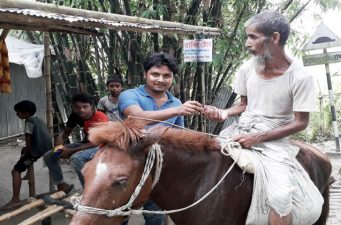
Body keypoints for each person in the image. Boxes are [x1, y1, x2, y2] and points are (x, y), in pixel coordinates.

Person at [203, 10, 323, 225]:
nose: (247, 43)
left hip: (274, 142)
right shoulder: (247, 67)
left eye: (253, 37)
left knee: (280, 196)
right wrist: (223, 113)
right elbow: (243, 104)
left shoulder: (300, 76)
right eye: (247, 37)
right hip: (239, 131)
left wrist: (258, 138)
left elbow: (301, 122)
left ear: (274, 38)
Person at [118, 52, 203, 225]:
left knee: (155, 217)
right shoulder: (129, 95)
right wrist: (177, 111)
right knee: (118, 213)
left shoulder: (176, 102)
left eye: (167, 76)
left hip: (157, 168)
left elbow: (180, 135)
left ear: (172, 78)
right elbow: (138, 118)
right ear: (145, 74)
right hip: (129, 163)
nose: (161, 79)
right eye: (155, 74)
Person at [44, 93, 109, 191]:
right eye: (77, 107)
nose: (81, 110)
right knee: (50, 155)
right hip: (85, 144)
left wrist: (71, 151)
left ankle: (89, 192)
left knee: (77, 159)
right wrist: (60, 140)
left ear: (91, 107)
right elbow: (65, 133)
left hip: (102, 146)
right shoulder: (75, 116)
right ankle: (62, 185)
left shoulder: (100, 117)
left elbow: (97, 143)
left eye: (84, 106)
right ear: (73, 107)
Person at [1, 100, 52, 210]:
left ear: (26, 113)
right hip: (46, 147)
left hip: (37, 151)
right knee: (23, 151)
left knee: (15, 171)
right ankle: (28, 173)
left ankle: (15, 199)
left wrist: (26, 154)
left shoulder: (28, 122)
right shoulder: (38, 119)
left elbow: (28, 140)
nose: (17, 114)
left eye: (18, 113)